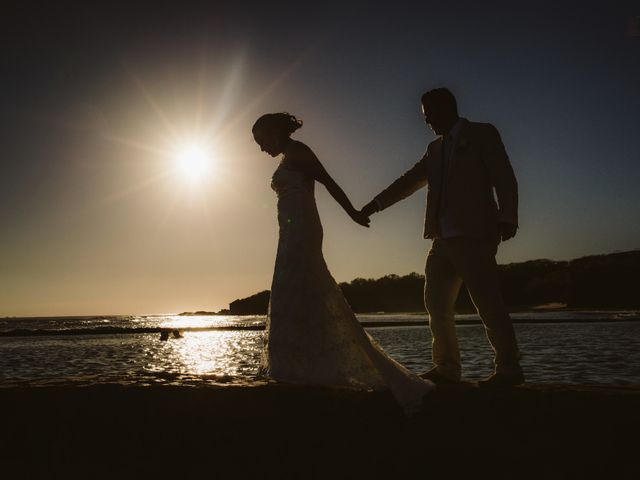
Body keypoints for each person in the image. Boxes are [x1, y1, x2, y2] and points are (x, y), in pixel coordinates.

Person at [252, 112, 434, 414]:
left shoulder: (299, 151)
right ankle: (298, 365)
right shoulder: (286, 157)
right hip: (290, 231)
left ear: (274, 132)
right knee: (293, 291)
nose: (260, 148)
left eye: (261, 141)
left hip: (303, 230)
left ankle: (304, 366)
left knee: (299, 287)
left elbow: (329, 182)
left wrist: (353, 213)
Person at [361, 88, 524, 387]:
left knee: (487, 301)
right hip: (441, 239)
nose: (427, 122)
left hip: (475, 233)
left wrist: (507, 217)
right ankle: (447, 368)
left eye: (429, 115)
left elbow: (504, 176)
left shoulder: (482, 134)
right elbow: (408, 181)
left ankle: (509, 369)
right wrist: (374, 205)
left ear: (446, 107)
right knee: (435, 302)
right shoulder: (434, 150)